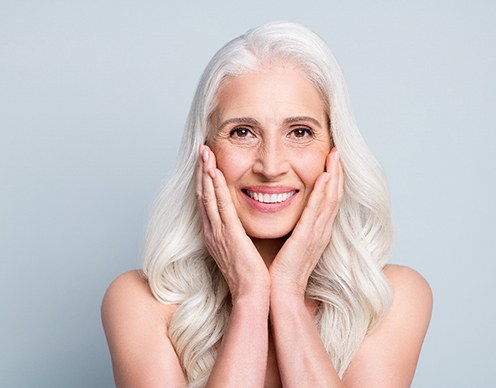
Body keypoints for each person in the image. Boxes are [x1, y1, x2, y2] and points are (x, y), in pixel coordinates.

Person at [101, 21, 432, 387]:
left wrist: (287, 293)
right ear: (206, 150)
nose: (271, 166)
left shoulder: (391, 298)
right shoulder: (139, 303)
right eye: (242, 132)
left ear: (336, 151)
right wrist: (250, 297)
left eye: (300, 132)